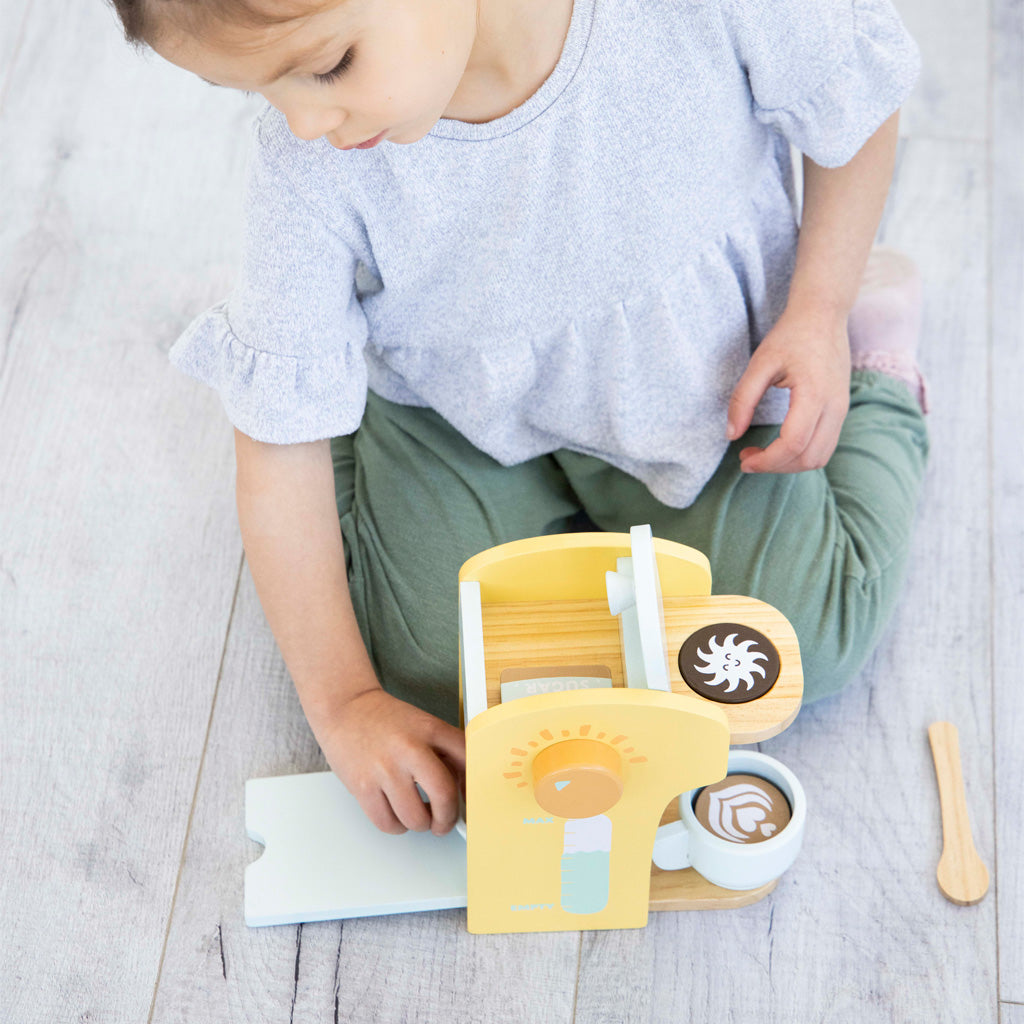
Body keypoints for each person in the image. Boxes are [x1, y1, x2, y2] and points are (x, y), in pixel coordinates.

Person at [111, 0, 929, 839]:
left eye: (328, 66)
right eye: (256, 91)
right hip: (455, 414)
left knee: (795, 648)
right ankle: (335, 396)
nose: (308, 121)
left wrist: (822, 309)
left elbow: (855, 101)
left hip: (705, 386)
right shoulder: (310, 162)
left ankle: (880, 367)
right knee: (430, 678)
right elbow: (276, 445)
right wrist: (345, 702)